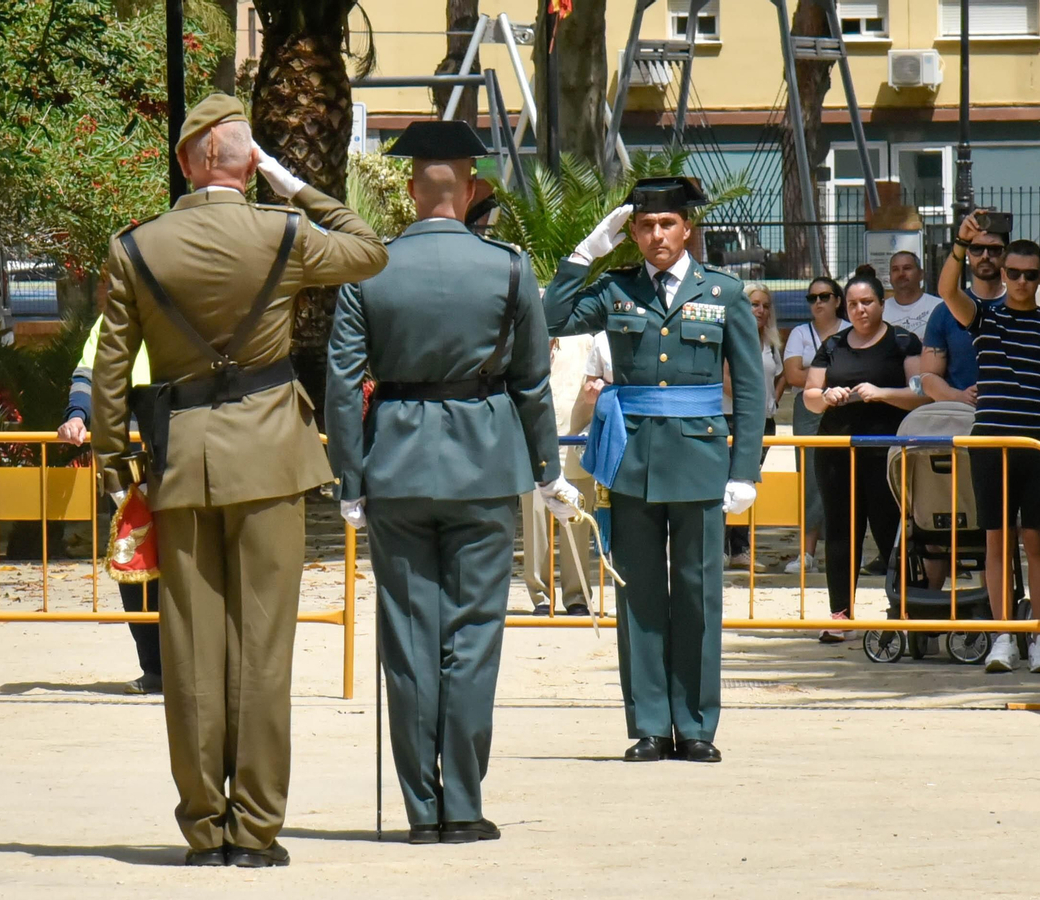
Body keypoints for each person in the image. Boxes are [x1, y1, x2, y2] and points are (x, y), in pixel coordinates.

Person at [89, 93, 386, 868]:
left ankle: (203, 826)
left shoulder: (138, 247)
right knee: (264, 647)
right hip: (273, 453)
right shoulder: (283, 233)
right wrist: (292, 186)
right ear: (245, 162)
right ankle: (255, 830)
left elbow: (111, 371)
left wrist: (118, 469)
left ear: (188, 162)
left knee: (189, 651)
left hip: (183, 458)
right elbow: (368, 247)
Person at [326, 119, 573, 845]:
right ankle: (462, 803)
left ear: (409, 190)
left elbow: (342, 385)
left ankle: (419, 810)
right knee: (473, 635)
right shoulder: (506, 267)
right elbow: (531, 381)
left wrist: (349, 477)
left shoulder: (368, 268)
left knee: (407, 639)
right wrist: (547, 470)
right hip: (483, 461)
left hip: (396, 463)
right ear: (469, 191)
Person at [546, 176, 765, 764]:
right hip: (633, 459)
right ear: (633, 234)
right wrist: (586, 253)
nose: (656, 235)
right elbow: (549, 316)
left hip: (698, 458)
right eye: (644, 226)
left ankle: (694, 725)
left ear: (686, 228)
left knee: (697, 594)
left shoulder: (723, 292)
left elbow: (749, 385)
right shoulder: (615, 289)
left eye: (666, 224)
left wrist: (746, 468)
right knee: (639, 596)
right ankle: (648, 723)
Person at [938, 215, 1040, 675]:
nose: (1020, 281)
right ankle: (1002, 637)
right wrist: (962, 243)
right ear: (1002, 274)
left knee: (1039, 540)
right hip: (992, 441)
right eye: (1012, 272)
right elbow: (946, 291)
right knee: (996, 540)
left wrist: (1032, 402)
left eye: (1030, 274)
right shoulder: (983, 317)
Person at [801, 270, 927, 641]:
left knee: (890, 529)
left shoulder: (903, 341)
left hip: (887, 451)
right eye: (853, 304)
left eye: (867, 303)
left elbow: (919, 393)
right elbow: (809, 393)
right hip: (837, 451)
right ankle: (841, 614)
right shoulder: (834, 343)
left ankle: (900, 610)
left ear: (881, 304)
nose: (860, 310)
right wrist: (825, 398)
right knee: (840, 532)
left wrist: (882, 392)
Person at [57, 302, 163, 695]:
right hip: (126, 463)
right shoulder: (112, 318)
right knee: (132, 563)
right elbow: (86, 374)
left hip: (183, 452)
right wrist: (77, 416)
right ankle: (154, 669)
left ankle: (192, 668)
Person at [519, 334, 594, 617]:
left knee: (576, 526)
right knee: (536, 527)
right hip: (533, 451)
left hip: (574, 450)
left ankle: (577, 597)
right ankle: (541, 596)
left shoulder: (584, 341)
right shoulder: (520, 342)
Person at [781, 277, 849, 575]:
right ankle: (806, 554)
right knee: (811, 479)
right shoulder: (799, 332)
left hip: (845, 406)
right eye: (812, 298)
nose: (818, 303)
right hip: (808, 409)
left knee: (847, 478)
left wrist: (815, 374)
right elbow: (793, 376)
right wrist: (832, 373)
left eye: (824, 296)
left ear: (837, 299)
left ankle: (847, 550)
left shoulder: (850, 330)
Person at [723, 283, 784, 570]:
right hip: (732, 418)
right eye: (754, 304)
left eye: (765, 305)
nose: (760, 310)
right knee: (725, 484)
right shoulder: (729, 338)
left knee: (747, 482)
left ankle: (741, 548)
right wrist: (751, 403)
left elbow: (780, 375)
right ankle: (721, 548)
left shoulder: (771, 341)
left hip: (763, 423)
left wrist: (771, 403)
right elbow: (724, 379)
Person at [919, 225, 1006, 406]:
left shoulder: (1019, 308)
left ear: (1006, 253)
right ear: (967, 253)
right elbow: (928, 377)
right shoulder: (944, 312)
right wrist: (959, 396)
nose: (985, 256)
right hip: (958, 415)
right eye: (976, 248)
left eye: (994, 249)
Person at [882, 251, 943, 338]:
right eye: (895, 269)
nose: (901, 274)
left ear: (921, 274)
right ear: (890, 276)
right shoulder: (880, 311)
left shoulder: (940, 307)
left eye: (907, 268)